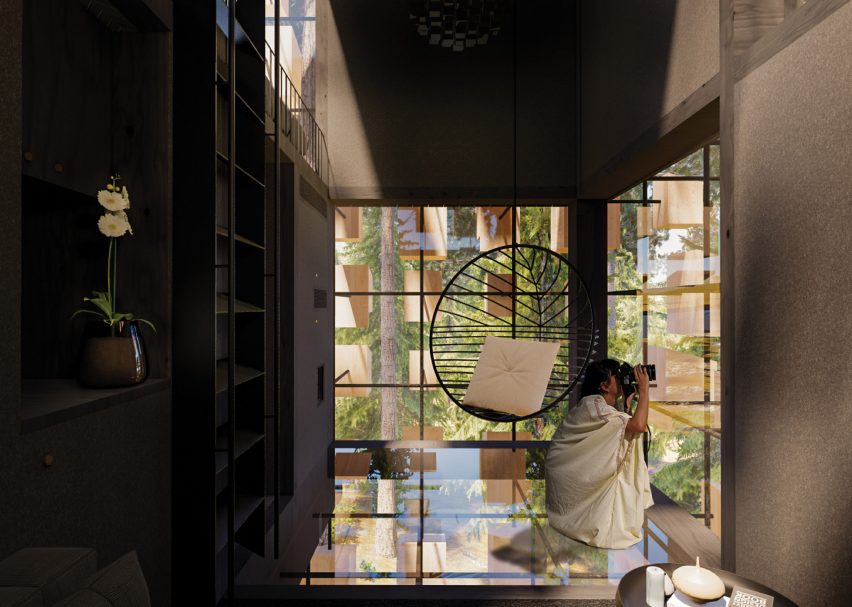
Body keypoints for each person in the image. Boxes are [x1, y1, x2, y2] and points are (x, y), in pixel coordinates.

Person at [545, 359, 653, 549]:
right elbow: (637, 425)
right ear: (604, 385)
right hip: (568, 473)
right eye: (617, 376)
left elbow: (618, 433)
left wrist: (627, 408)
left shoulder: (595, 406)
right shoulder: (594, 404)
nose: (621, 380)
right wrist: (644, 390)